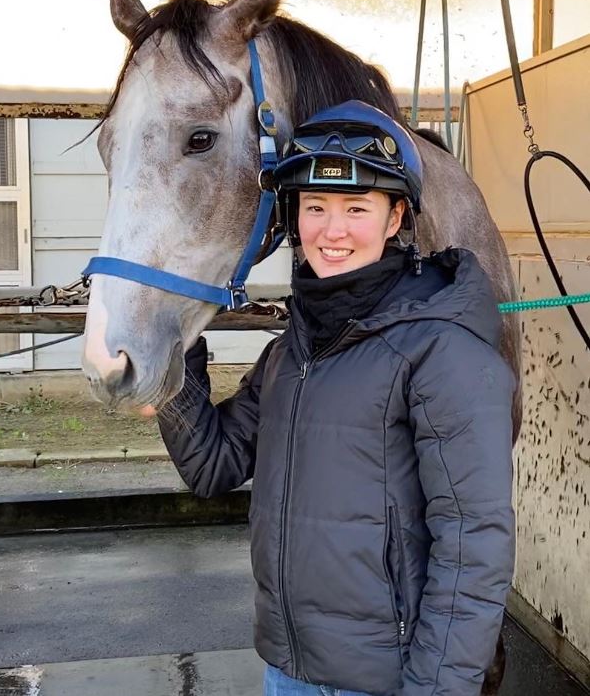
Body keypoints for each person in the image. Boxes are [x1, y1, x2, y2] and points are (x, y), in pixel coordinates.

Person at [158, 100, 516, 696]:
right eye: (315, 207)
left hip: (387, 682)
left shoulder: (443, 353)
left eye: (357, 208)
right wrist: (174, 363)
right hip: (287, 672)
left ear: (397, 216)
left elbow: (473, 546)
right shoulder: (295, 352)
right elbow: (212, 464)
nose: (333, 230)